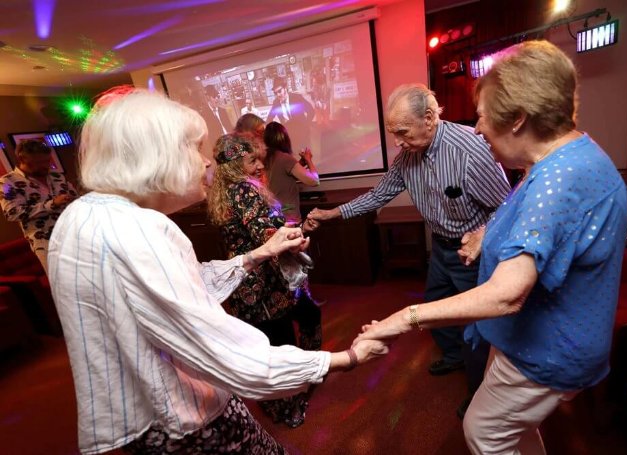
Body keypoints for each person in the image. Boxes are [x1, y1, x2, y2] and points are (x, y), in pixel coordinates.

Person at [47, 87, 388, 454]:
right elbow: (226, 351)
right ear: (156, 155)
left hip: (150, 419)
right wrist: (344, 359)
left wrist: (258, 253)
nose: (207, 162)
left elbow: (189, 284)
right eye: (192, 148)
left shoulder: (85, 215)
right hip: (181, 420)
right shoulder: (136, 229)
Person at [355, 40, 627, 454]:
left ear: (517, 119)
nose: (478, 129)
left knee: (484, 431)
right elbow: (522, 213)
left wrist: (405, 318)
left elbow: (506, 294)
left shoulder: (560, 180)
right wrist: (488, 233)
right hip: (530, 341)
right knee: (511, 431)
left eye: (482, 117)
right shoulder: (559, 160)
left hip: (546, 348)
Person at [307, 83, 510, 398]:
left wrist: (484, 234)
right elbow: (379, 195)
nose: (398, 143)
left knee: (475, 328)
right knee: (435, 304)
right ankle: (454, 357)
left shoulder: (470, 149)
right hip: (442, 248)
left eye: (402, 132)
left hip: (473, 253)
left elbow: (507, 205)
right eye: (394, 135)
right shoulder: (408, 156)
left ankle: (477, 395)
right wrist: (333, 214)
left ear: (429, 118)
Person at [207, 133, 323, 428]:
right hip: (262, 286)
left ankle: (304, 377)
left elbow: (263, 227)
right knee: (277, 346)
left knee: (292, 327)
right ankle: (286, 406)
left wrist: (290, 231)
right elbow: (266, 234)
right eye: (252, 160)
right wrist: (295, 240)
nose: (260, 165)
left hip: (250, 283)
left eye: (259, 158)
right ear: (234, 165)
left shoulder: (227, 190)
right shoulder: (244, 191)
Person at [0, 139, 77, 271]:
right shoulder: (7, 182)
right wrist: (51, 204)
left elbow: (75, 198)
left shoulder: (56, 176)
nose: (46, 166)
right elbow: (12, 213)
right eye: (39, 162)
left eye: (47, 161)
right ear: (22, 159)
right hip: (47, 243)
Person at [263, 121, 320, 224]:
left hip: (273, 214)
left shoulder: (266, 158)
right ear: (284, 138)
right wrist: (308, 159)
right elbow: (314, 181)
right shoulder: (285, 158)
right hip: (288, 216)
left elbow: (282, 173)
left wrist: (300, 163)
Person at [266, 77, 315, 152]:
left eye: (279, 91)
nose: (278, 94)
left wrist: (306, 125)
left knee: (307, 157)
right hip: (290, 137)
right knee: (295, 160)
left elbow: (311, 110)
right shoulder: (276, 103)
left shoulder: (297, 98)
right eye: (275, 93)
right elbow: (269, 118)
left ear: (285, 88)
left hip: (303, 133)